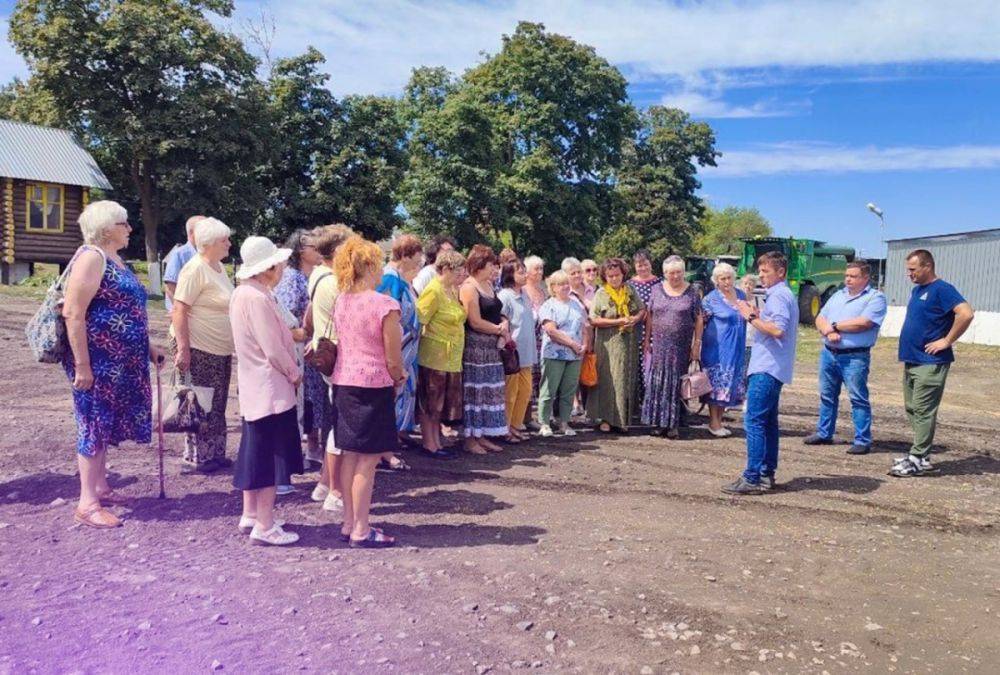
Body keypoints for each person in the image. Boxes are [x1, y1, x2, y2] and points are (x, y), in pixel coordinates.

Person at [61, 201, 164, 528]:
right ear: (106, 228)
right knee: (92, 424)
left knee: (104, 425)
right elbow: (73, 313)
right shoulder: (92, 257)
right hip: (98, 363)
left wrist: (147, 347)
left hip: (121, 363)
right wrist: (82, 365)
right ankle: (87, 503)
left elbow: (123, 313)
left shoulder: (114, 259)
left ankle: (101, 488)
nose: (129, 228)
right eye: (124, 223)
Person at [332, 235, 405, 548]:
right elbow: (393, 356)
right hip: (373, 384)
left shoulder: (342, 300)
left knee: (350, 454)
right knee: (369, 460)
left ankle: (349, 522)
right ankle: (362, 528)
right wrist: (399, 376)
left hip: (344, 382)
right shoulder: (385, 304)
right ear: (371, 266)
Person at [229, 236, 301, 545]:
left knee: (254, 450)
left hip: (256, 386)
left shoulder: (246, 293)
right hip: (269, 386)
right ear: (268, 269)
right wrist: (293, 371)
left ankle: (252, 514)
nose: (283, 268)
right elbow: (272, 347)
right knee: (268, 456)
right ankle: (266, 525)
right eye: (279, 264)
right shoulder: (256, 298)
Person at [889, 250, 974, 477]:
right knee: (913, 408)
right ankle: (923, 456)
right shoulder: (917, 290)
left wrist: (946, 340)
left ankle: (917, 458)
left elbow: (966, 314)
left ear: (927, 266)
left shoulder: (942, 289)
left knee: (924, 410)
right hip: (912, 359)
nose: (909, 274)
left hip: (931, 361)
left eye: (913, 270)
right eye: (908, 270)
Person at [723, 251, 798, 495]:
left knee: (754, 420)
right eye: (761, 271)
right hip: (773, 366)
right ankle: (766, 473)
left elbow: (777, 330)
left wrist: (751, 317)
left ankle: (753, 477)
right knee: (768, 423)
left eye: (766, 271)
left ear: (781, 272)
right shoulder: (781, 294)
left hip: (767, 367)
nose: (761, 276)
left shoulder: (778, 296)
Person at [171, 217, 234, 474]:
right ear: (208, 243)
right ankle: (199, 456)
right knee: (200, 402)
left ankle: (216, 452)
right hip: (198, 347)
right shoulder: (195, 268)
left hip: (220, 348)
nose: (229, 243)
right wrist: (184, 349)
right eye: (224, 240)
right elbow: (179, 309)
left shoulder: (218, 267)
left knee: (217, 402)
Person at [804, 261, 888, 455]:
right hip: (829, 353)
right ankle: (824, 433)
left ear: (865, 278)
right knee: (827, 396)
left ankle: (862, 439)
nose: (848, 279)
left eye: (853, 276)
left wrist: (834, 326)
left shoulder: (875, 298)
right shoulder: (838, 295)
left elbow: (864, 323)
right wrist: (826, 329)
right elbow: (820, 317)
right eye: (847, 276)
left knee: (858, 398)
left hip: (854, 357)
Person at [306, 224, 354, 511]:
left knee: (335, 419)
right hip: (339, 357)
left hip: (329, 353)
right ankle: (335, 491)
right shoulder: (333, 281)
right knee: (340, 424)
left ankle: (325, 483)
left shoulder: (318, 277)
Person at [272, 229, 318, 493]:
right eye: (312, 245)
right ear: (301, 250)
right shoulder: (291, 279)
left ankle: (306, 453)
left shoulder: (308, 276)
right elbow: (286, 320)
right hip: (296, 351)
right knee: (294, 408)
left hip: (305, 351)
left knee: (307, 405)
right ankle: (285, 467)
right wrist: (302, 333)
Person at [641, 256, 703, 438]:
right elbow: (650, 316)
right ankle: (659, 423)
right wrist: (646, 340)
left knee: (676, 383)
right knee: (659, 383)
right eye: (670, 272)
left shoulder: (693, 291)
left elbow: (699, 319)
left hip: (681, 346)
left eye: (678, 272)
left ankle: (673, 424)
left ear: (683, 272)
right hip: (659, 344)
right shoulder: (656, 289)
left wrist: (696, 344)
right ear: (664, 273)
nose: (675, 276)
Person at [377, 233, 424, 468]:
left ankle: (393, 440)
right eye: (416, 258)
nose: (419, 263)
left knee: (402, 395)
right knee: (391, 396)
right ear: (404, 256)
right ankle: (384, 448)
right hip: (398, 347)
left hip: (408, 348)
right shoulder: (389, 278)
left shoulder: (402, 279)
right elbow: (388, 317)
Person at [416, 249, 467, 458]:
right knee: (431, 403)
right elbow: (419, 321)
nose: (461, 276)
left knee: (441, 404)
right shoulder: (433, 291)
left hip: (451, 357)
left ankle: (437, 441)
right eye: (458, 272)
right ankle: (429, 443)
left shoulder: (452, 290)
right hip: (434, 356)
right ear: (445, 269)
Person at [460, 245, 511, 453]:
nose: (494, 269)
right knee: (475, 393)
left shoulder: (489, 285)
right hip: (475, 348)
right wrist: (499, 329)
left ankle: (482, 435)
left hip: (491, 349)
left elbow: (496, 311)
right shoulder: (469, 287)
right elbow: (474, 321)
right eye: (491, 264)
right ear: (479, 264)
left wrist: (504, 322)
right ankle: (470, 439)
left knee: (489, 392)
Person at [587, 258, 645, 433]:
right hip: (607, 343)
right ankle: (605, 418)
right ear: (604, 276)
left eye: (617, 275)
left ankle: (622, 420)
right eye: (610, 276)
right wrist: (618, 321)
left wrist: (634, 319)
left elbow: (642, 310)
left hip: (628, 343)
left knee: (625, 379)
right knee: (608, 379)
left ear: (623, 274)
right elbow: (593, 319)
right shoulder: (601, 294)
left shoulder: (630, 290)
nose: (614, 279)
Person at [537, 270, 589, 437]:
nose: (565, 287)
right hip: (554, 354)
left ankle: (564, 422)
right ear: (553, 287)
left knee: (569, 389)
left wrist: (585, 344)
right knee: (549, 389)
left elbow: (585, 326)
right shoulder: (548, 306)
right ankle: (544, 422)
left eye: (566, 283)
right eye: (560, 284)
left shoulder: (576, 304)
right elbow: (551, 331)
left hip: (574, 355)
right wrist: (573, 344)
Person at [701, 262, 748, 437]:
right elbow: (701, 322)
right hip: (717, 349)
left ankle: (719, 422)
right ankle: (714, 423)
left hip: (737, 348)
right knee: (717, 385)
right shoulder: (710, 299)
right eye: (723, 279)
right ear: (716, 281)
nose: (727, 282)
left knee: (729, 386)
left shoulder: (741, 295)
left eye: (729, 278)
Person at [497, 261, 536, 442]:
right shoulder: (505, 296)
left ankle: (515, 425)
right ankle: (505, 428)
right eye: (520, 272)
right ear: (510, 274)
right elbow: (503, 322)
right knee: (510, 393)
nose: (525, 274)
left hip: (527, 352)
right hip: (512, 352)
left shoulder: (525, 295)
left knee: (525, 391)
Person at [628, 249, 660, 418]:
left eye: (645, 264)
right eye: (639, 265)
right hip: (635, 330)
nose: (642, 268)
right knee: (636, 368)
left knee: (650, 367)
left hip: (655, 331)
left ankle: (650, 404)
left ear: (650, 263)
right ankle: (636, 406)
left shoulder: (660, 283)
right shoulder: (629, 284)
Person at [522, 255, 547, 428]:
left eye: (541, 268)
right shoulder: (523, 291)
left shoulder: (544, 291)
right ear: (527, 272)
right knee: (527, 379)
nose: (539, 272)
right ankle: (523, 417)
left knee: (538, 378)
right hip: (528, 339)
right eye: (536, 269)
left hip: (543, 340)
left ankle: (532, 418)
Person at [163, 215, 204, 313]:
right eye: (204, 229)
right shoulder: (180, 254)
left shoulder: (207, 255)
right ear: (191, 232)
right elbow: (170, 287)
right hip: (185, 314)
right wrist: (181, 311)